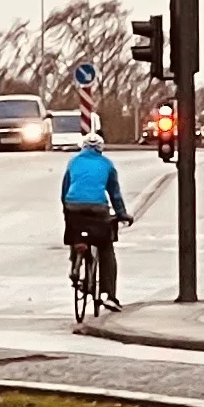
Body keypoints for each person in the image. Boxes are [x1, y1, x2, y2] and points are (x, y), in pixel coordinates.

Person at [61, 126, 129, 308]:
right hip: (98, 208)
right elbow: (114, 193)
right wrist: (122, 214)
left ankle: (75, 263)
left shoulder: (73, 163)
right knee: (106, 248)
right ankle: (110, 295)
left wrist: (66, 209)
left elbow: (65, 189)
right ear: (101, 149)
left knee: (75, 232)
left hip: (73, 205)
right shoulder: (107, 165)